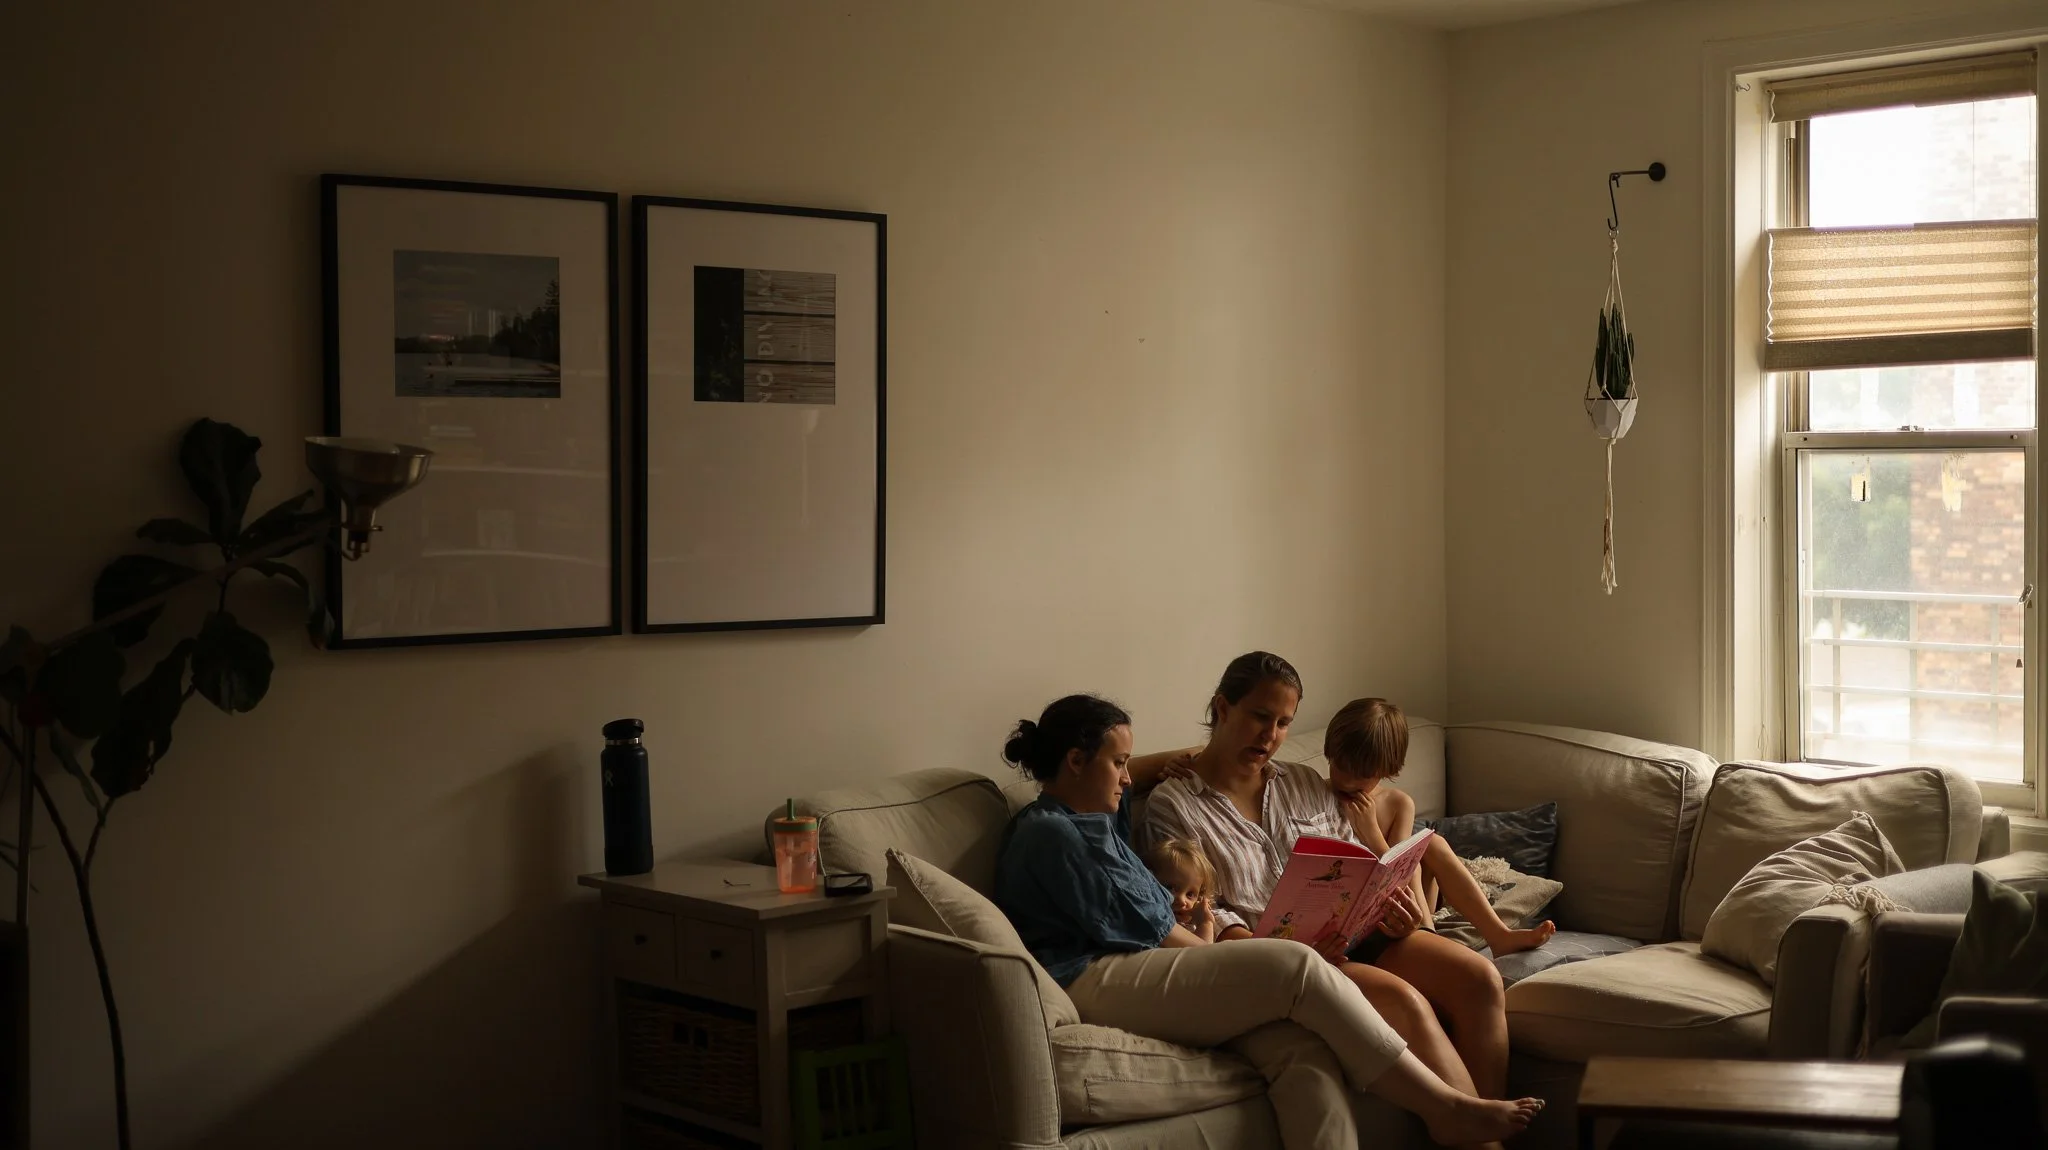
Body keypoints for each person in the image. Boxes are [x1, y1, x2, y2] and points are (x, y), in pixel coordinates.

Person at [993, 693, 1542, 1150]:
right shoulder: (1053, 832)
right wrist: (1240, 960)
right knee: (1293, 966)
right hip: (1097, 970)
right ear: (1075, 761)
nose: (1128, 776)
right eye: (1118, 763)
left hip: (1161, 953)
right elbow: (1149, 929)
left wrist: (1174, 758)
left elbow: (1127, 778)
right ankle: (1444, 1107)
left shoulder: (1099, 812)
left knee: (1302, 1055)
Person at [1137, 653, 1514, 1111]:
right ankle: (1478, 1130)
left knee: (1480, 978)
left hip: (1361, 934)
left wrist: (1394, 908)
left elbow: (1358, 863)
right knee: (1405, 1002)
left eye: (1283, 723)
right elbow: (1200, 909)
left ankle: (1495, 1122)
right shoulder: (1173, 804)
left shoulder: (1305, 782)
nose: (1270, 735)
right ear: (1222, 708)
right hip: (1286, 960)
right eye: (1260, 716)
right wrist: (1290, 951)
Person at [1324, 697, 1556, 958]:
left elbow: (1400, 878)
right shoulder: (1315, 799)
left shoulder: (1398, 804)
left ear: (1386, 769)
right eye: (1340, 767)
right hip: (1353, 923)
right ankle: (1429, 943)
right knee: (1417, 858)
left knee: (1429, 845)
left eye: (1363, 775)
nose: (1348, 782)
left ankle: (1497, 935)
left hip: (1404, 907)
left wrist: (1371, 833)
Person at [1142, 838, 1219, 943]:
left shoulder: (1191, 925)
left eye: (1190, 894)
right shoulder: (1159, 926)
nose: (1182, 901)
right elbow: (1202, 951)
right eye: (1170, 888)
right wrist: (1205, 923)